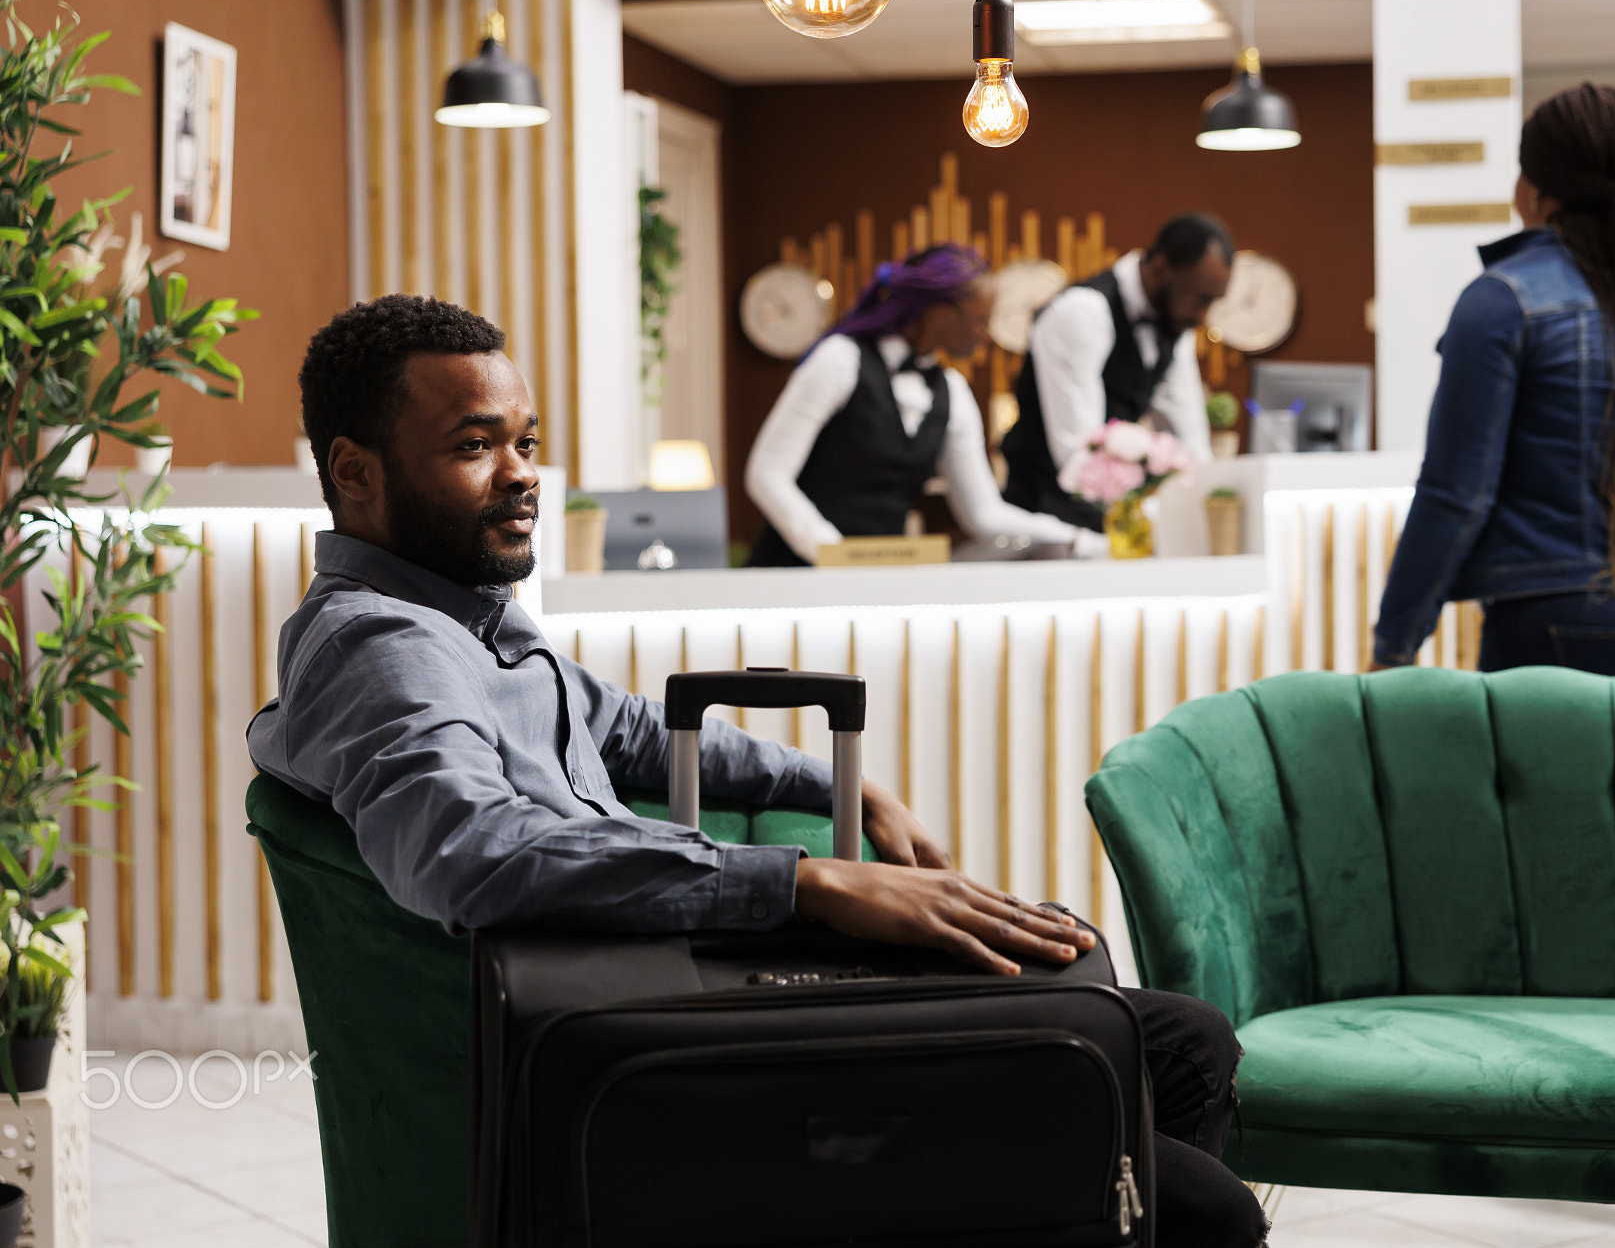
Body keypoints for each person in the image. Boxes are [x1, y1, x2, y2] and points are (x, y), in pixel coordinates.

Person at [250, 294, 1264, 1248]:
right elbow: (466, 856)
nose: (520, 473)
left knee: (1183, 1045)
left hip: (670, 989)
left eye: (525, 443)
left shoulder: (471, 620)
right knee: (1201, 1196)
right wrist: (805, 882)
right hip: (659, 1061)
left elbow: (630, 730)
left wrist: (832, 789)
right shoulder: (384, 648)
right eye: (473, 446)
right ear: (354, 473)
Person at [1372, 83, 1615, 677]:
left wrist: (1394, 645)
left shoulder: (1502, 301)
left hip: (1547, 623)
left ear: (1532, 190)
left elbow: (1456, 496)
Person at [745, 244, 1105, 566]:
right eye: (980, 320)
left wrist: (1074, 538)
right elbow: (767, 474)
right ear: (941, 313)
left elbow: (983, 514)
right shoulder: (840, 361)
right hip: (793, 574)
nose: (985, 335)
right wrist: (830, 553)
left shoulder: (952, 392)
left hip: (881, 583)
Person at [1000, 213, 1228, 529]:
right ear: (1161, 268)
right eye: (1200, 298)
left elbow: (1190, 439)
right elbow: (1079, 455)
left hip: (1112, 524)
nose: (1204, 316)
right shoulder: (1083, 312)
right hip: (1043, 521)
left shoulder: (1175, 326)